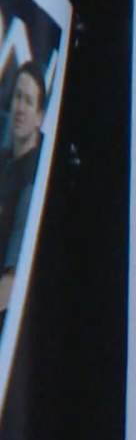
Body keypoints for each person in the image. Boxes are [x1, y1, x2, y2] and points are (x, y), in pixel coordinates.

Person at [0, 61, 46, 312]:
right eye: (18, 97)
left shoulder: (32, 182)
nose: (20, 108)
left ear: (39, 117)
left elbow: (9, 287)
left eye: (28, 101)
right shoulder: (4, 161)